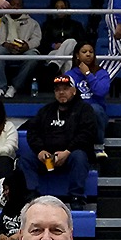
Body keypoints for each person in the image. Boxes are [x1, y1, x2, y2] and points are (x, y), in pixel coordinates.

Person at [23, 76, 99, 206]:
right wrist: (40, 151)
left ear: (74, 91)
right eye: (58, 90)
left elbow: (87, 134)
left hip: (70, 157)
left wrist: (67, 151)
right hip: (48, 160)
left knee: (79, 156)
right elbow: (32, 132)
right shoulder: (46, 111)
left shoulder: (84, 109)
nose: (61, 92)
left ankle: (76, 197)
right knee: (26, 158)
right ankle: (32, 197)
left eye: (65, 89)